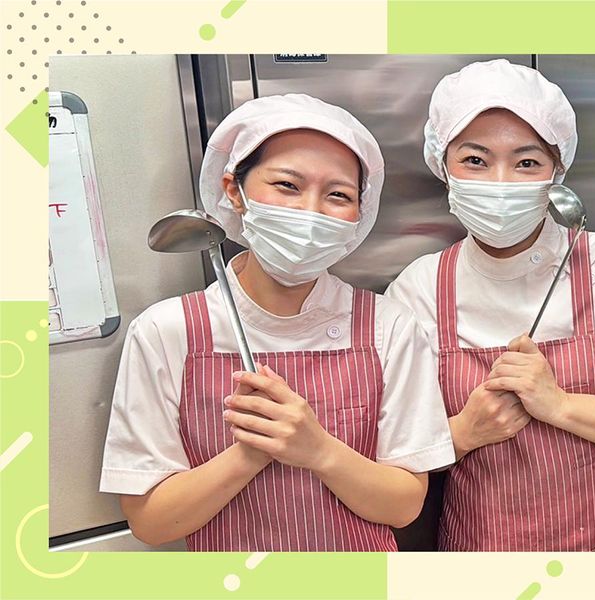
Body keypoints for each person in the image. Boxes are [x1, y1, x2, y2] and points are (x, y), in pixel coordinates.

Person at [99, 94, 454, 552]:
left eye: (338, 195)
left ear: (359, 214)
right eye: (287, 185)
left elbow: (404, 505)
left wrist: (318, 450)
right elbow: (151, 522)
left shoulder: (390, 327)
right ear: (234, 191)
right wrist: (250, 453)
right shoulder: (167, 332)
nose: (310, 211)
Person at [386, 59, 595, 552]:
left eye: (527, 162)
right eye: (475, 160)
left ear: (557, 172)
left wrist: (559, 404)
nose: (500, 182)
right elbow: (392, 458)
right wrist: (465, 433)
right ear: (442, 166)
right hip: (488, 552)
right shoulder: (418, 289)